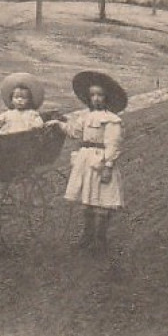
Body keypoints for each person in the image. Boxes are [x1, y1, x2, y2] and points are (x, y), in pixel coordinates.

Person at [54, 70, 127, 254]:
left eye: (100, 95)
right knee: (87, 200)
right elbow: (75, 132)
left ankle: (100, 240)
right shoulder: (85, 117)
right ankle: (87, 237)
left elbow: (113, 145)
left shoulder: (111, 120)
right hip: (85, 161)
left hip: (100, 161)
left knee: (102, 202)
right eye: (92, 95)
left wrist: (108, 167)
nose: (96, 99)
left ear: (106, 97)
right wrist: (58, 124)